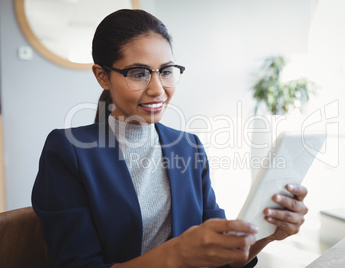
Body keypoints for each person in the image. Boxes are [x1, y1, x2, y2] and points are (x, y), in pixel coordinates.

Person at [32, 9, 309, 268]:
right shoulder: (69, 151)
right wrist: (177, 253)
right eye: (138, 74)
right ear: (103, 76)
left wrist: (267, 233)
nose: (157, 90)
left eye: (165, 71)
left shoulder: (188, 147)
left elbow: (223, 257)